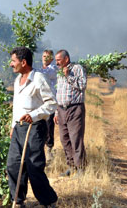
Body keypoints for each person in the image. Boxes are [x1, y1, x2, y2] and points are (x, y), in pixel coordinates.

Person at [7, 46, 58, 208]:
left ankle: (48, 201)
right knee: (13, 164)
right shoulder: (17, 81)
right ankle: (18, 200)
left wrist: (34, 115)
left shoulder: (39, 78)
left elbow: (51, 103)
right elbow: (17, 106)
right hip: (18, 128)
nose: (11, 64)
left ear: (23, 62)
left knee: (34, 166)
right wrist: (13, 126)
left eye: (13, 61)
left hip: (35, 128)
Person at [53, 49, 87, 177]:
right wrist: (57, 112)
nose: (56, 63)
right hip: (62, 110)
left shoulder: (77, 68)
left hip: (74, 109)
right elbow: (59, 93)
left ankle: (80, 169)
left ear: (66, 59)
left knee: (76, 139)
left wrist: (69, 76)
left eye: (58, 60)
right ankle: (71, 166)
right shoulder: (59, 72)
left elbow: (83, 85)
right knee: (64, 139)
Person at [38, 49, 58, 159]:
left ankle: (49, 149)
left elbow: (44, 76)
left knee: (49, 126)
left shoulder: (53, 69)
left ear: (52, 58)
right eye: (44, 56)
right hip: (40, 103)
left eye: (48, 56)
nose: (45, 58)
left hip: (50, 102)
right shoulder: (40, 70)